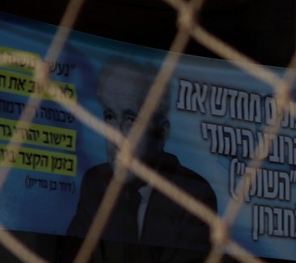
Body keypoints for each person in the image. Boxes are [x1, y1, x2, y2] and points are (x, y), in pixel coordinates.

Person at [67, 58, 217, 251]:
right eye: (110, 117)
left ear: (161, 133)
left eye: (131, 119)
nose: (116, 135)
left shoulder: (194, 194)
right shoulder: (96, 183)